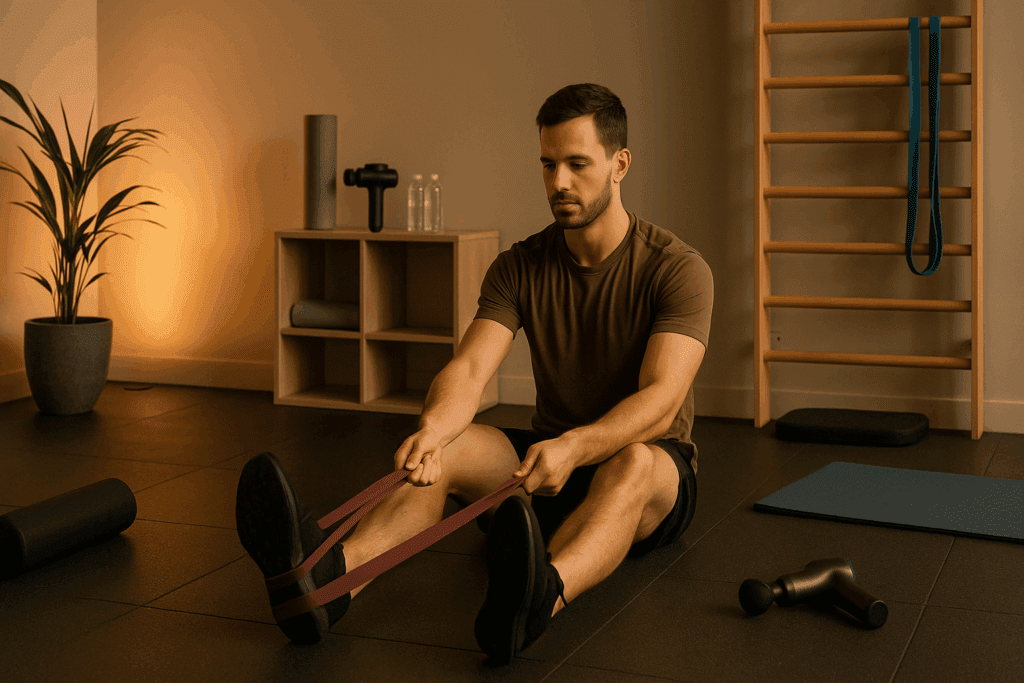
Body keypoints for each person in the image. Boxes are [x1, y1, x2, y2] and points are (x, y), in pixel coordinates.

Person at [235, 83, 713, 664]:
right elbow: (469, 368)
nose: (559, 182)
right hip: (547, 461)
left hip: (647, 473)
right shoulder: (520, 265)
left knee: (634, 462)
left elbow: (662, 400)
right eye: (548, 164)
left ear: (620, 164)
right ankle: (328, 583)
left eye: (577, 164)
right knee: (452, 446)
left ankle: (540, 598)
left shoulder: (677, 269)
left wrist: (576, 447)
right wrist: (434, 430)